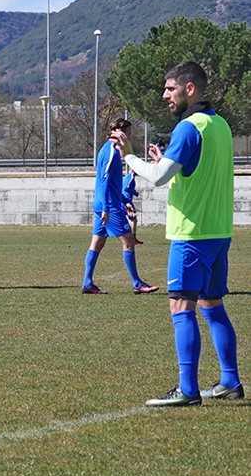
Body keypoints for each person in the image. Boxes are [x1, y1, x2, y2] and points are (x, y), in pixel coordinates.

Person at [113, 61, 242, 406]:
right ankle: (230, 380)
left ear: (189, 89)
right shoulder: (221, 125)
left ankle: (187, 389)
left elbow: (158, 178)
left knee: (179, 305)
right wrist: (161, 160)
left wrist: (130, 157)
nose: (165, 95)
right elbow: (192, 172)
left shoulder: (189, 127)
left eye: (170, 88)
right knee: (212, 305)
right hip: (219, 232)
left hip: (192, 234)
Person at [80, 119, 158, 295]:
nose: (128, 138)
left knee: (97, 243)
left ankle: (87, 282)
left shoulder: (110, 150)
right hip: (108, 206)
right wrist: (108, 208)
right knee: (129, 242)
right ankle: (137, 284)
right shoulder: (111, 153)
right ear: (117, 132)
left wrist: (124, 201)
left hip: (104, 204)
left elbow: (112, 183)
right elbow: (105, 181)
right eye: (128, 134)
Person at [122, 168, 143, 245]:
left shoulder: (127, 177)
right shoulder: (130, 177)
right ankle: (132, 239)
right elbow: (126, 188)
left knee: (132, 219)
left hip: (124, 200)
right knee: (133, 219)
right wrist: (135, 192)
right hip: (126, 201)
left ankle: (131, 238)